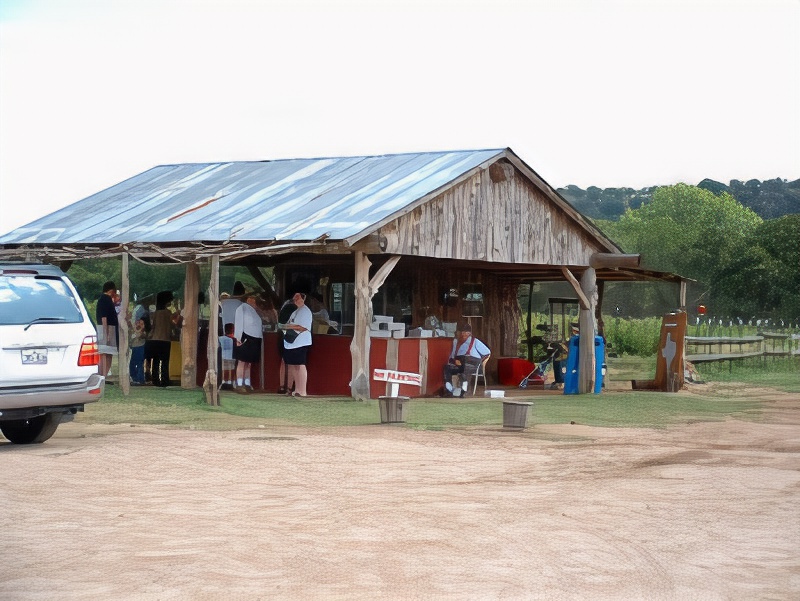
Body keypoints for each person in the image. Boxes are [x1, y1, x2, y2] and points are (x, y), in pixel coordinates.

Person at [442, 323, 490, 397]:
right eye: (461, 332)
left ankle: (465, 391)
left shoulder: (475, 341)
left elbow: (487, 353)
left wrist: (481, 363)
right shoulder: (455, 342)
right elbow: (451, 357)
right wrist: (454, 361)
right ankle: (450, 390)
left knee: (464, 364)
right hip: (459, 363)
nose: (463, 334)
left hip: (472, 364)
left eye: (465, 332)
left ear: (470, 333)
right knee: (447, 368)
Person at [282, 292, 313, 397]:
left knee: (300, 364)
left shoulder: (305, 311)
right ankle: (297, 389)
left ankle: (303, 390)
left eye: (298, 296)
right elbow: (290, 323)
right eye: (294, 296)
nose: (295, 298)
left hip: (301, 341)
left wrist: (287, 327)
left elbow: (303, 327)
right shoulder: (295, 311)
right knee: (293, 365)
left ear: (303, 298)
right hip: (292, 342)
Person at [233, 294, 263, 394]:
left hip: (255, 337)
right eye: (251, 298)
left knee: (248, 363)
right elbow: (238, 322)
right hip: (245, 337)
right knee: (242, 362)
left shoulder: (255, 311)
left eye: (254, 299)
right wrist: (238, 337)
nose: (253, 300)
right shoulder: (242, 308)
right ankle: (240, 384)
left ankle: (247, 383)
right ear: (247, 299)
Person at [149, 290, 174, 388]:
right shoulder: (168, 313)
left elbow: (153, 326)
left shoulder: (156, 313)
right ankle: (164, 380)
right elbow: (172, 325)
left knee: (155, 361)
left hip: (155, 339)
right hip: (165, 339)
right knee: (164, 362)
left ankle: (155, 379)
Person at [96, 281, 119, 379]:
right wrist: (107, 333)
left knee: (108, 353)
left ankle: (104, 374)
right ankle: (103, 375)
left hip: (108, 328)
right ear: (111, 290)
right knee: (105, 353)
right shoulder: (105, 300)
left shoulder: (105, 299)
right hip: (107, 328)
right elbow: (104, 317)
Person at [218, 323, 236, 391]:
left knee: (224, 370)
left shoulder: (220, 338)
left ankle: (223, 383)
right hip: (232, 357)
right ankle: (230, 383)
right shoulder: (234, 339)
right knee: (231, 370)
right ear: (232, 330)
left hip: (223, 357)